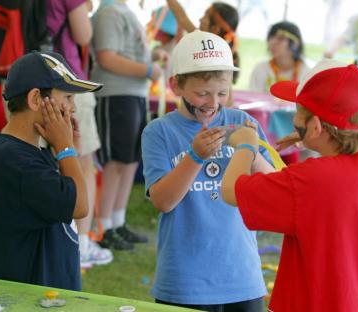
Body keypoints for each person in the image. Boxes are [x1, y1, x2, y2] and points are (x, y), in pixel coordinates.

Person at [221, 59, 358, 311]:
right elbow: (311, 201)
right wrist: (315, 139)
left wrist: (245, 146)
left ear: (315, 126)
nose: (295, 118)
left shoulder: (310, 181)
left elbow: (231, 191)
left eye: (298, 112)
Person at [142, 30, 273, 312]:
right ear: (176, 85)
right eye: (202, 93)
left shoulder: (242, 121)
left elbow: (273, 187)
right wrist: (194, 157)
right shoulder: (159, 132)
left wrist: (249, 153)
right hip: (184, 283)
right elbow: (163, 201)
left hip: (242, 277)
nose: (213, 103)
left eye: (222, 93)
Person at [0, 51, 102, 290]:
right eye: (67, 97)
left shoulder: (26, 151)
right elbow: (79, 206)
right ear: (36, 99)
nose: (73, 107)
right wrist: (66, 150)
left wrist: (67, 151)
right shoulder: (15, 160)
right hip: (28, 297)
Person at [91, 0, 164, 250]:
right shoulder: (109, 12)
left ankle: (117, 221)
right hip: (115, 95)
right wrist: (146, 68)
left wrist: (151, 58)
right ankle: (103, 227)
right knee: (116, 163)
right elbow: (106, 58)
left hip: (134, 94)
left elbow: (123, 53)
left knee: (130, 161)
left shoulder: (124, 11)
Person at [47, 0, 113, 268]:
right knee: (82, 162)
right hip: (67, 78)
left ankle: (54, 239)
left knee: (42, 162)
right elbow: (83, 34)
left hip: (25, 81)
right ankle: (81, 242)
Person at [166, 0, 240, 83]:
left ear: (215, 28)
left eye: (205, 16)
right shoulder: (208, 45)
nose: (200, 19)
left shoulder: (211, 53)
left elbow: (182, 18)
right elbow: (181, 17)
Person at [249, 21, 310, 94]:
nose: (273, 42)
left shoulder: (307, 74)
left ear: (295, 44)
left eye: (281, 38)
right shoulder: (261, 69)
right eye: (271, 37)